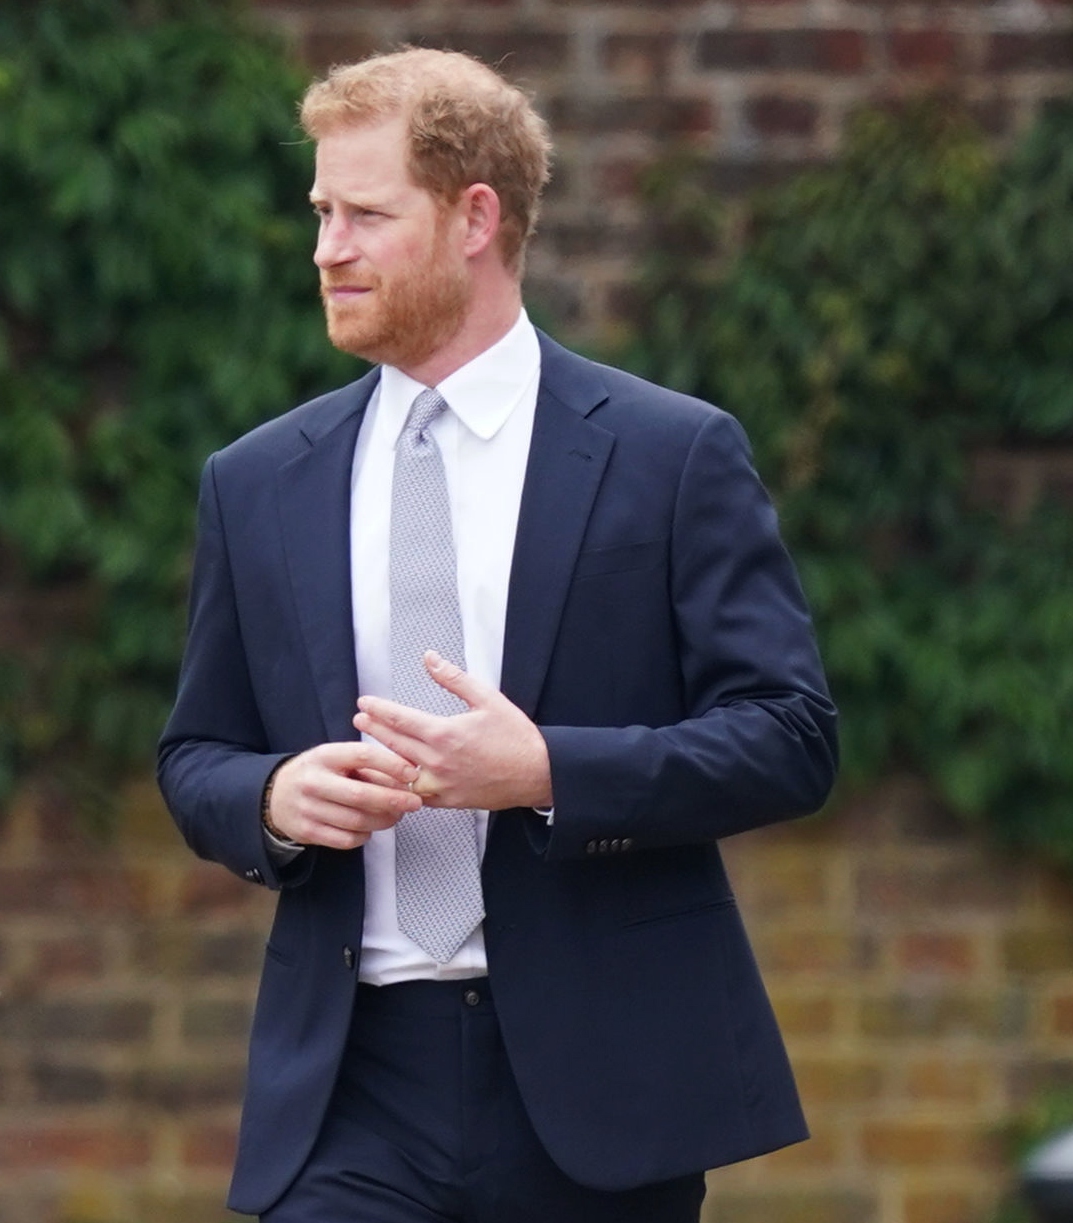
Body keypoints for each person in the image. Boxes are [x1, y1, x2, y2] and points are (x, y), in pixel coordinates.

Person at [157, 47, 837, 1222]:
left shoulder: (670, 454)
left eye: (366, 214)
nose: (327, 247)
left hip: (601, 1081)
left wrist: (547, 771)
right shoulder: (256, 480)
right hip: (350, 1082)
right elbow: (194, 755)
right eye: (321, 211)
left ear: (477, 217)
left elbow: (790, 734)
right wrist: (272, 797)